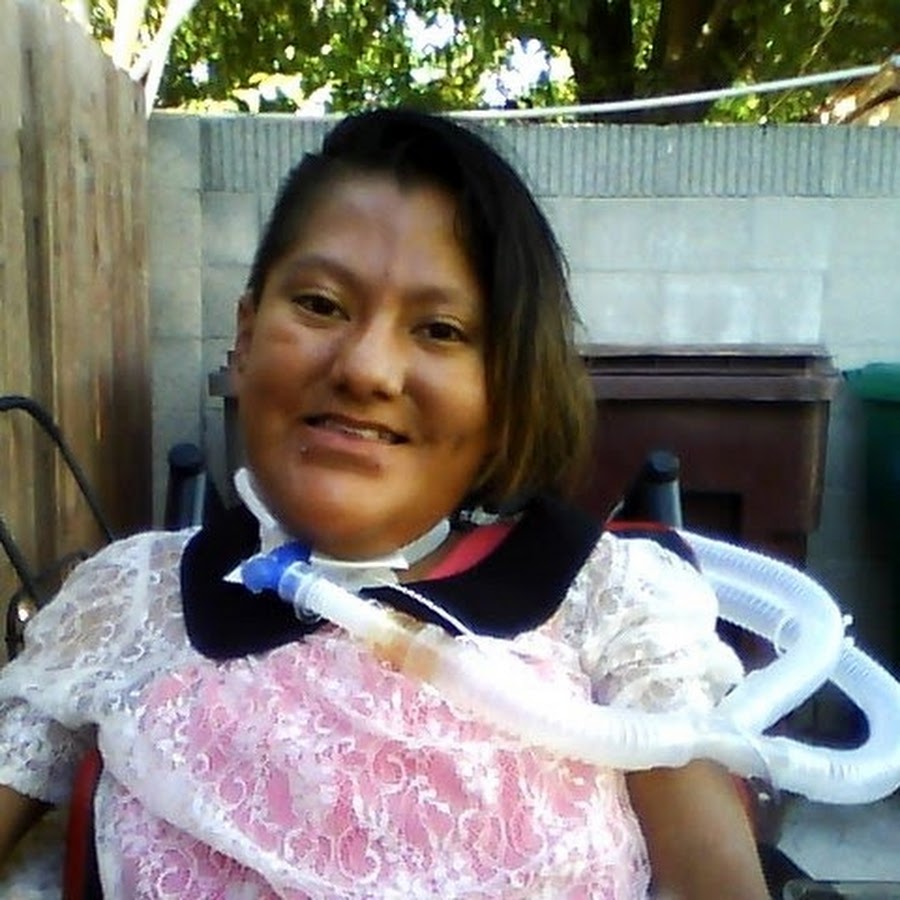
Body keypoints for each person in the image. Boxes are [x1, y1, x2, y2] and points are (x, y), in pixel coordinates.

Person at [0, 108, 769, 898]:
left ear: (505, 390)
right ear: (247, 333)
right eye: (320, 304)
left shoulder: (609, 606)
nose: (367, 368)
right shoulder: (131, 600)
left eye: (440, 329)